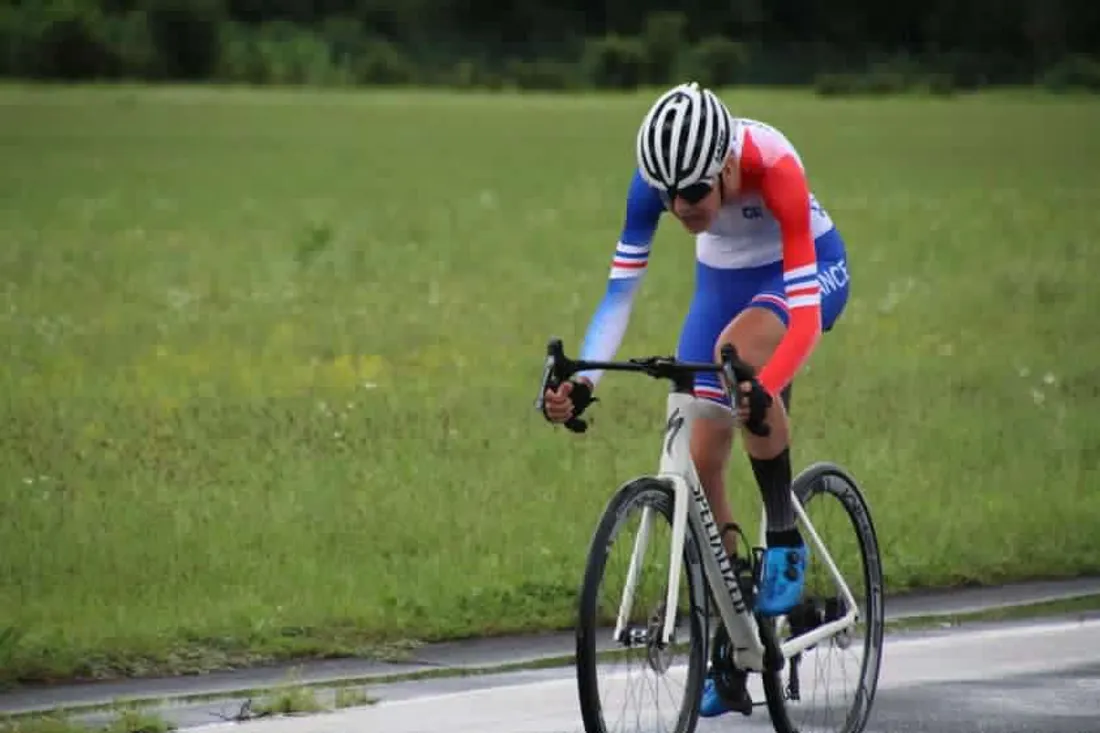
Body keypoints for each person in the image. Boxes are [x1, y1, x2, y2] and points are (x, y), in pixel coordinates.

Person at [541, 81, 851, 718]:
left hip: (805, 272)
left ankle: (786, 540)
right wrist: (582, 383)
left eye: (694, 193)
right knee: (700, 442)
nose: (680, 207)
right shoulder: (656, 184)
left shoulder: (774, 167)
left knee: (738, 358)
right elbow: (619, 297)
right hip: (724, 280)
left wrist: (766, 384)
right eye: (668, 195)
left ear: (727, 168)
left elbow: (805, 317)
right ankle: (735, 632)